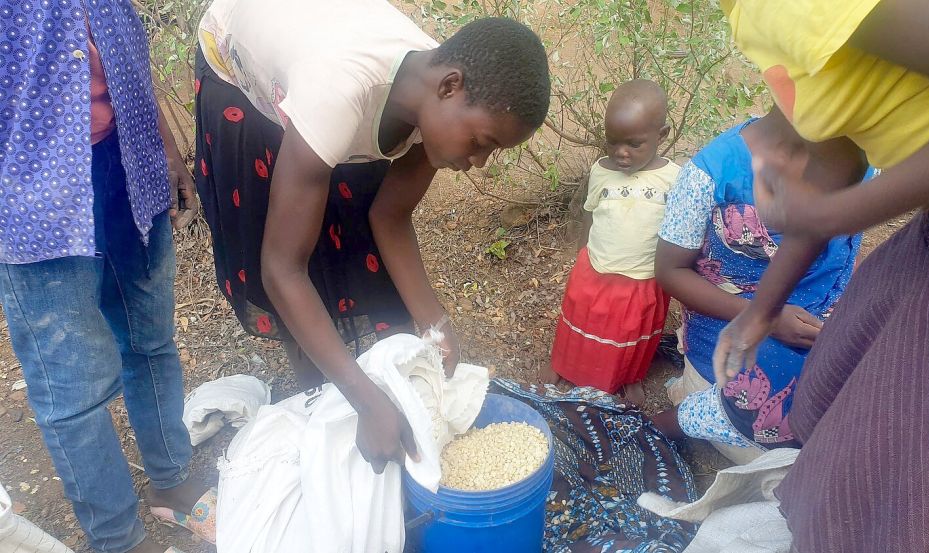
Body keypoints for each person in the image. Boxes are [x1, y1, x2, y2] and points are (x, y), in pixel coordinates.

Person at [194, 0, 551, 473]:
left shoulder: (433, 95)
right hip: (240, 68)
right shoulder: (337, 91)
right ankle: (318, 402)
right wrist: (364, 401)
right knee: (300, 248)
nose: (479, 162)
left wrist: (437, 325)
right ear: (449, 88)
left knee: (350, 223)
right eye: (482, 143)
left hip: (320, 65)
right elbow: (281, 268)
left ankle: (349, 392)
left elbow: (390, 215)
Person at [710, 1, 929, 551]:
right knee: (849, 422)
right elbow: (841, 142)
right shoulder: (746, 11)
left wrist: (839, 215)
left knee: (922, 479)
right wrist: (761, 308)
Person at [0, 3, 212, 553]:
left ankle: (174, 479)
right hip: (33, 189)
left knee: (151, 339)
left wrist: (164, 148)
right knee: (72, 385)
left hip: (128, 162)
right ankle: (119, 539)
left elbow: (123, 54)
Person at [651, 109, 867, 463]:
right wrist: (766, 317)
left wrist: (849, 317)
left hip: (822, 326)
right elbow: (669, 270)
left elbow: (845, 255)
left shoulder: (859, 157)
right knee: (815, 442)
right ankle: (690, 417)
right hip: (738, 331)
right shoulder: (712, 173)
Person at [542, 80, 678, 406]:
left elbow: (678, 232)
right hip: (596, 268)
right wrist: (583, 254)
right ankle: (562, 365)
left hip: (642, 278)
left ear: (662, 136)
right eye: (613, 142)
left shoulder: (673, 178)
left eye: (634, 144)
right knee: (578, 322)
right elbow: (590, 214)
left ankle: (628, 377)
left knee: (630, 334)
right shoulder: (601, 171)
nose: (621, 153)